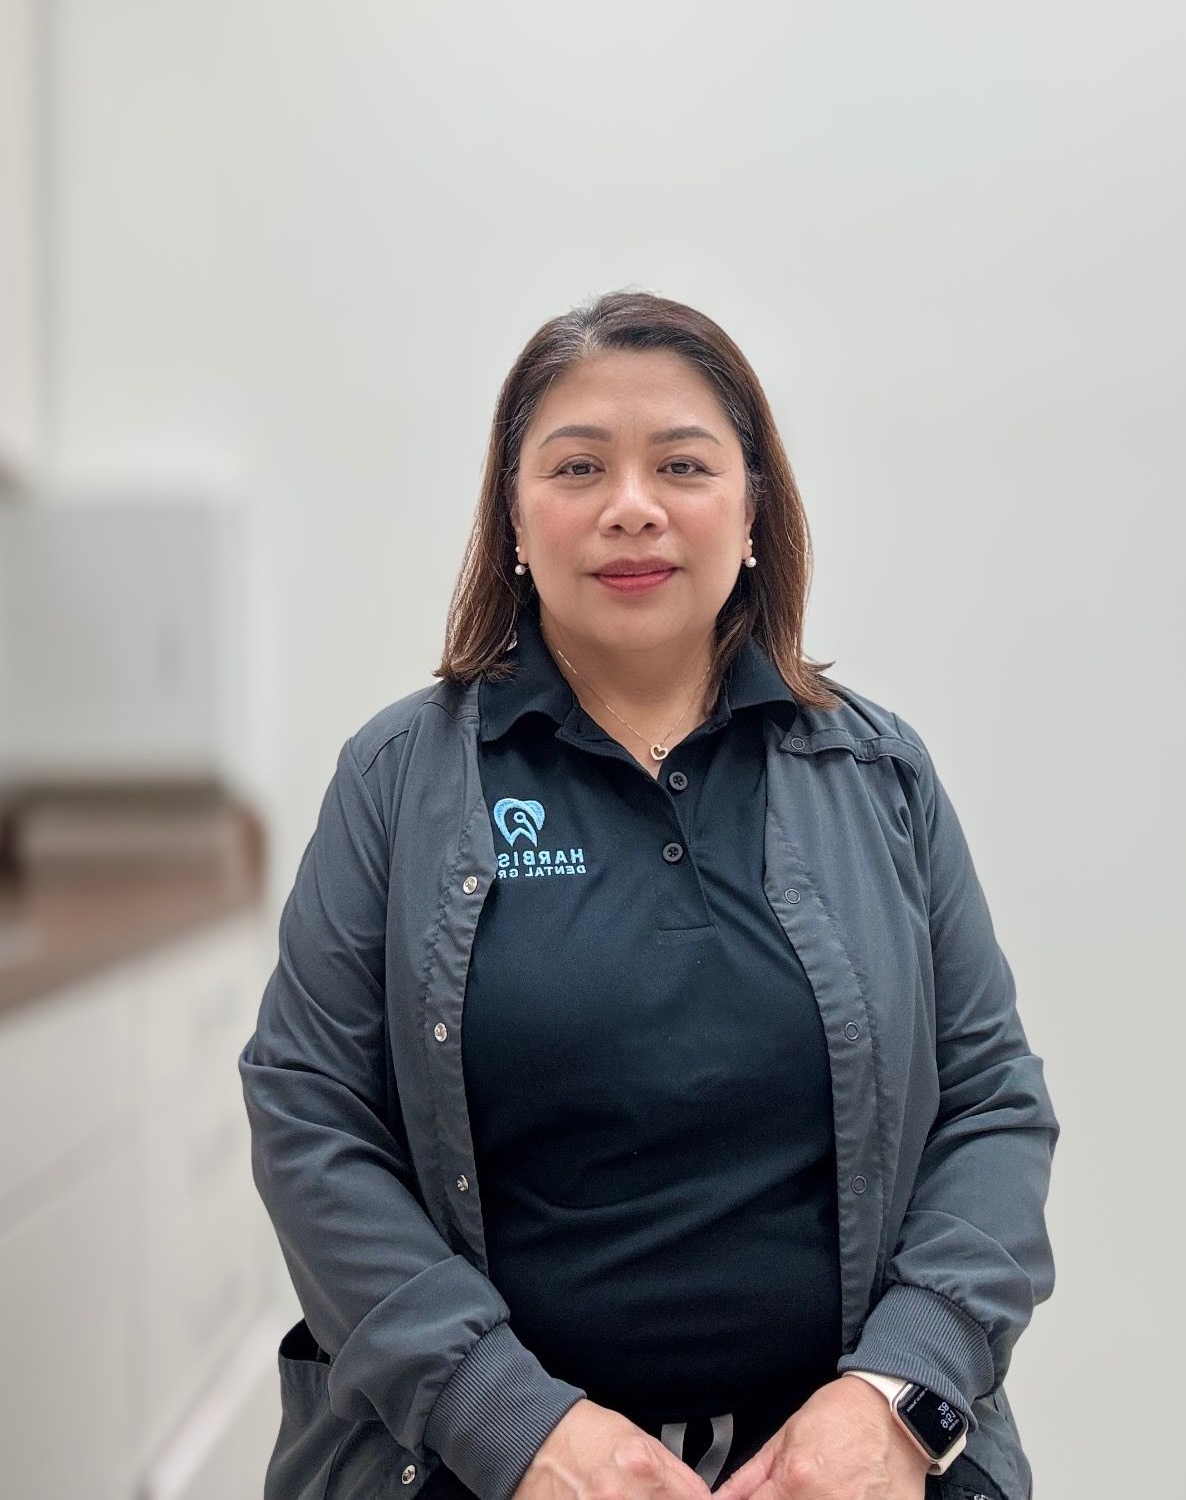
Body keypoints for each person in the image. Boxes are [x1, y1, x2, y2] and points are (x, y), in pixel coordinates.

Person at [238, 290, 1059, 1500]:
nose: (633, 505)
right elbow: (310, 1117)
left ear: (752, 510)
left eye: (681, 462)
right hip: (479, 1469)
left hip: (844, 1471)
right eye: (579, 466)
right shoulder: (399, 778)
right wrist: (506, 1420)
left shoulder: (880, 774)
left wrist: (899, 1397)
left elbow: (992, 1105)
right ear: (513, 515)